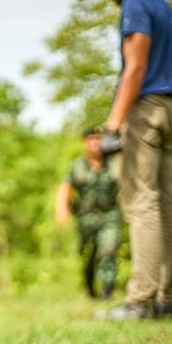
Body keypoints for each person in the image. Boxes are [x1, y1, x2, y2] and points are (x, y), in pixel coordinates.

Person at [101, 0, 172, 319]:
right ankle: (171, 299)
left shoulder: (135, 4)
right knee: (167, 203)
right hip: (168, 108)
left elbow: (136, 66)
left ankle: (140, 300)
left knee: (141, 202)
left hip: (145, 110)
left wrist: (113, 123)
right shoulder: (163, 6)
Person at [55, 126, 121, 299]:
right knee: (88, 255)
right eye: (90, 140)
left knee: (109, 249)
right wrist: (62, 210)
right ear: (84, 143)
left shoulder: (114, 163)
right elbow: (65, 188)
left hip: (109, 216)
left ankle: (107, 291)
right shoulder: (78, 165)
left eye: (98, 139)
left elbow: (126, 185)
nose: (95, 143)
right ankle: (90, 289)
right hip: (86, 219)